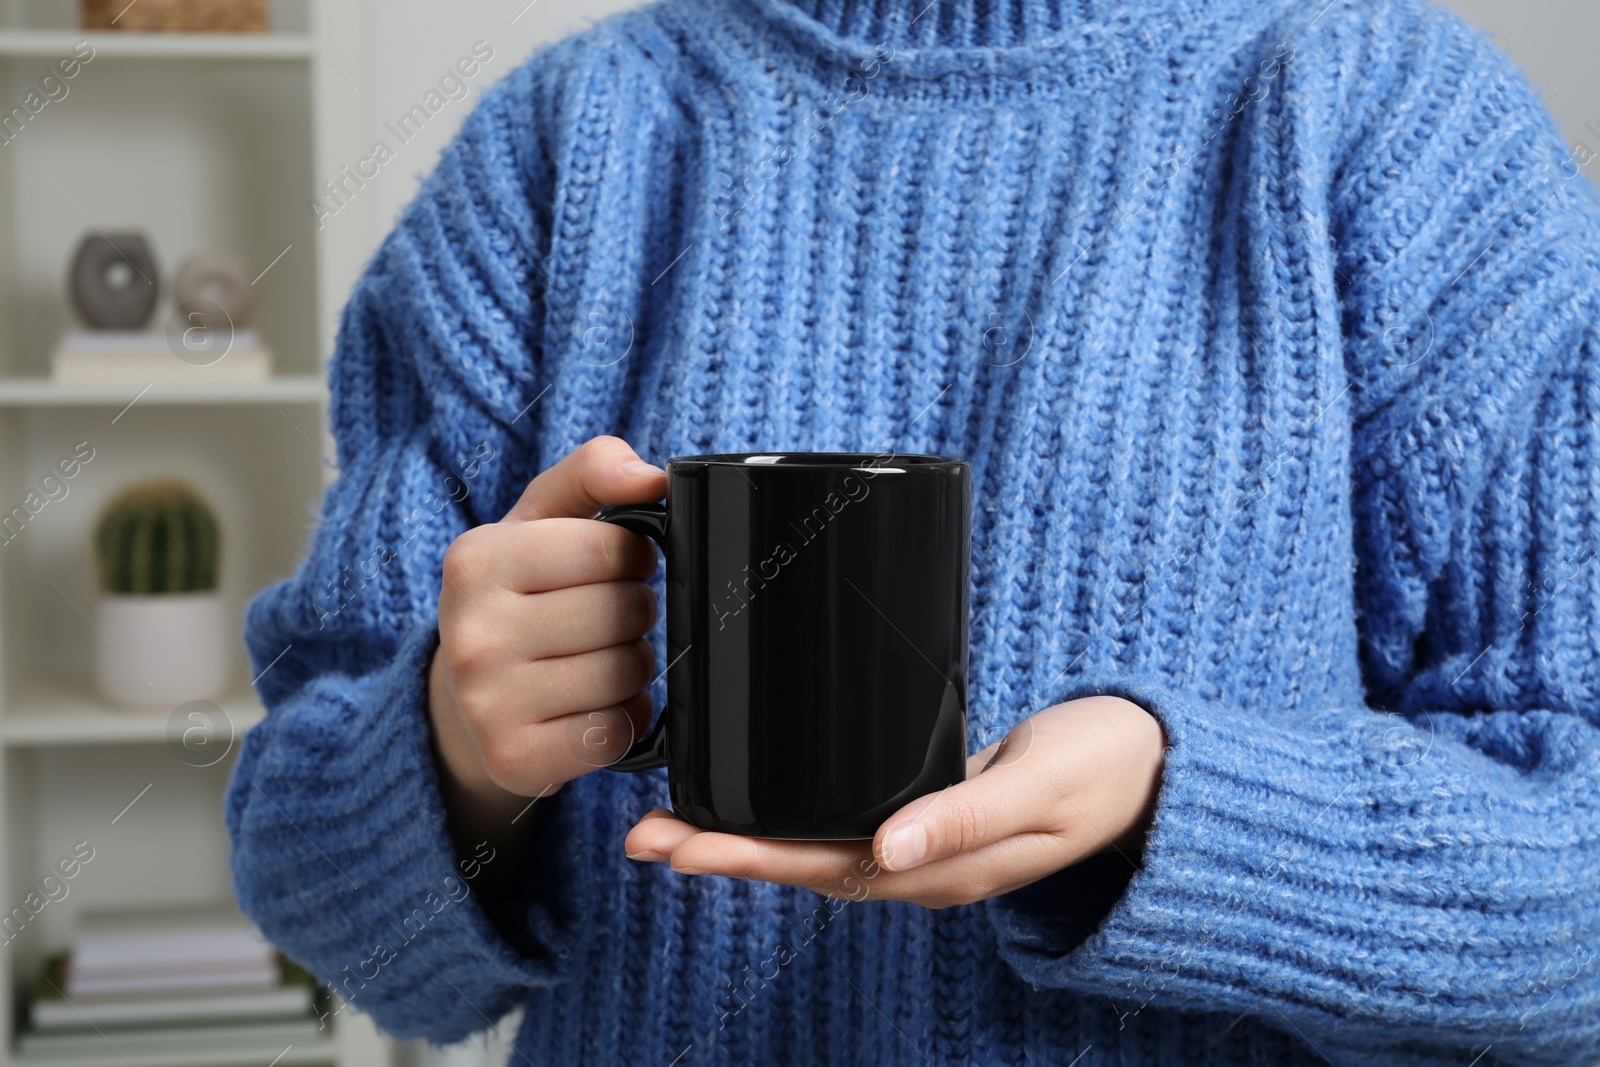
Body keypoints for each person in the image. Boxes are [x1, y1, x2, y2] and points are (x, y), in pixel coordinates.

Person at [226, 0, 1600, 1062]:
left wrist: (1176, 826)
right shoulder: (562, 149)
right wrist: (455, 762)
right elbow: (310, 874)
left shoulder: (1395, 126)